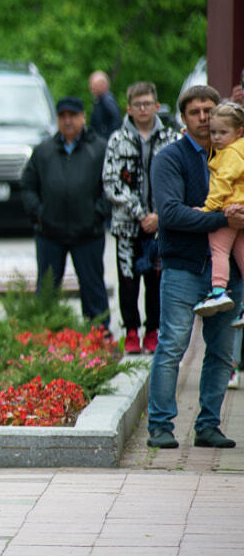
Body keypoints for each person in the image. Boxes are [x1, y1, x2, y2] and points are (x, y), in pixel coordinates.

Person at [147, 84, 239, 450]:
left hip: (228, 268)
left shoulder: (235, 154)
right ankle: (160, 426)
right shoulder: (169, 158)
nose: (203, 118)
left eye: (209, 111)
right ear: (184, 119)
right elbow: (170, 214)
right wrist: (223, 219)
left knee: (221, 351)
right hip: (183, 266)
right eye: (195, 112)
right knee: (172, 345)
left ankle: (208, 426)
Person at [102, 82, 180, 354]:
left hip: (161, 226)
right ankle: (131, 331)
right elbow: (111, 182)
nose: (143, 109)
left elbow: (177, 180)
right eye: (138, 105)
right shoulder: (117, 140)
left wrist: (159, 215)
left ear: (157, 106)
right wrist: (140, 212)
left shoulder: (171, 139)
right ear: (129, 108)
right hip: (127, 226)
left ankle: (154, 331)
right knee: (128, 279)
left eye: (148, 104)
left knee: (157, 280)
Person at [21, 96, 110, 330]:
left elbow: (111, 186)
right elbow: (28, 186)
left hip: (88, 232)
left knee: (93, 288)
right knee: (47, 290)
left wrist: (98, 214)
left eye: (73, 115)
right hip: (50, 233)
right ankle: (45, 337)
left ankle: (99, 335)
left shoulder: (99, 149)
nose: (68, 121)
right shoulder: (43, 151)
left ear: (83, 117)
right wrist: (39, 215)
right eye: (63, 116)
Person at [193, 102, 244, 321]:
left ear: (238, 132)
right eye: (213, 132)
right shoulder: (236, 149)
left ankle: (218, 291)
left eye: (223, 132)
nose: (216, 137)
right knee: (241, 255)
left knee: (219, 250)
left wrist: (208, 209)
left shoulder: (231, 153)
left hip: (228, 208)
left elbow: (223, 183)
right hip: (240, 206)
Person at [89, 71, 122, 139]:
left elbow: (116, 119)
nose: (91, 88)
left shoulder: (107, 100)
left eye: (94, 86)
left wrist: (107, 136)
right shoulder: (98, 100)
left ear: (103, 85)